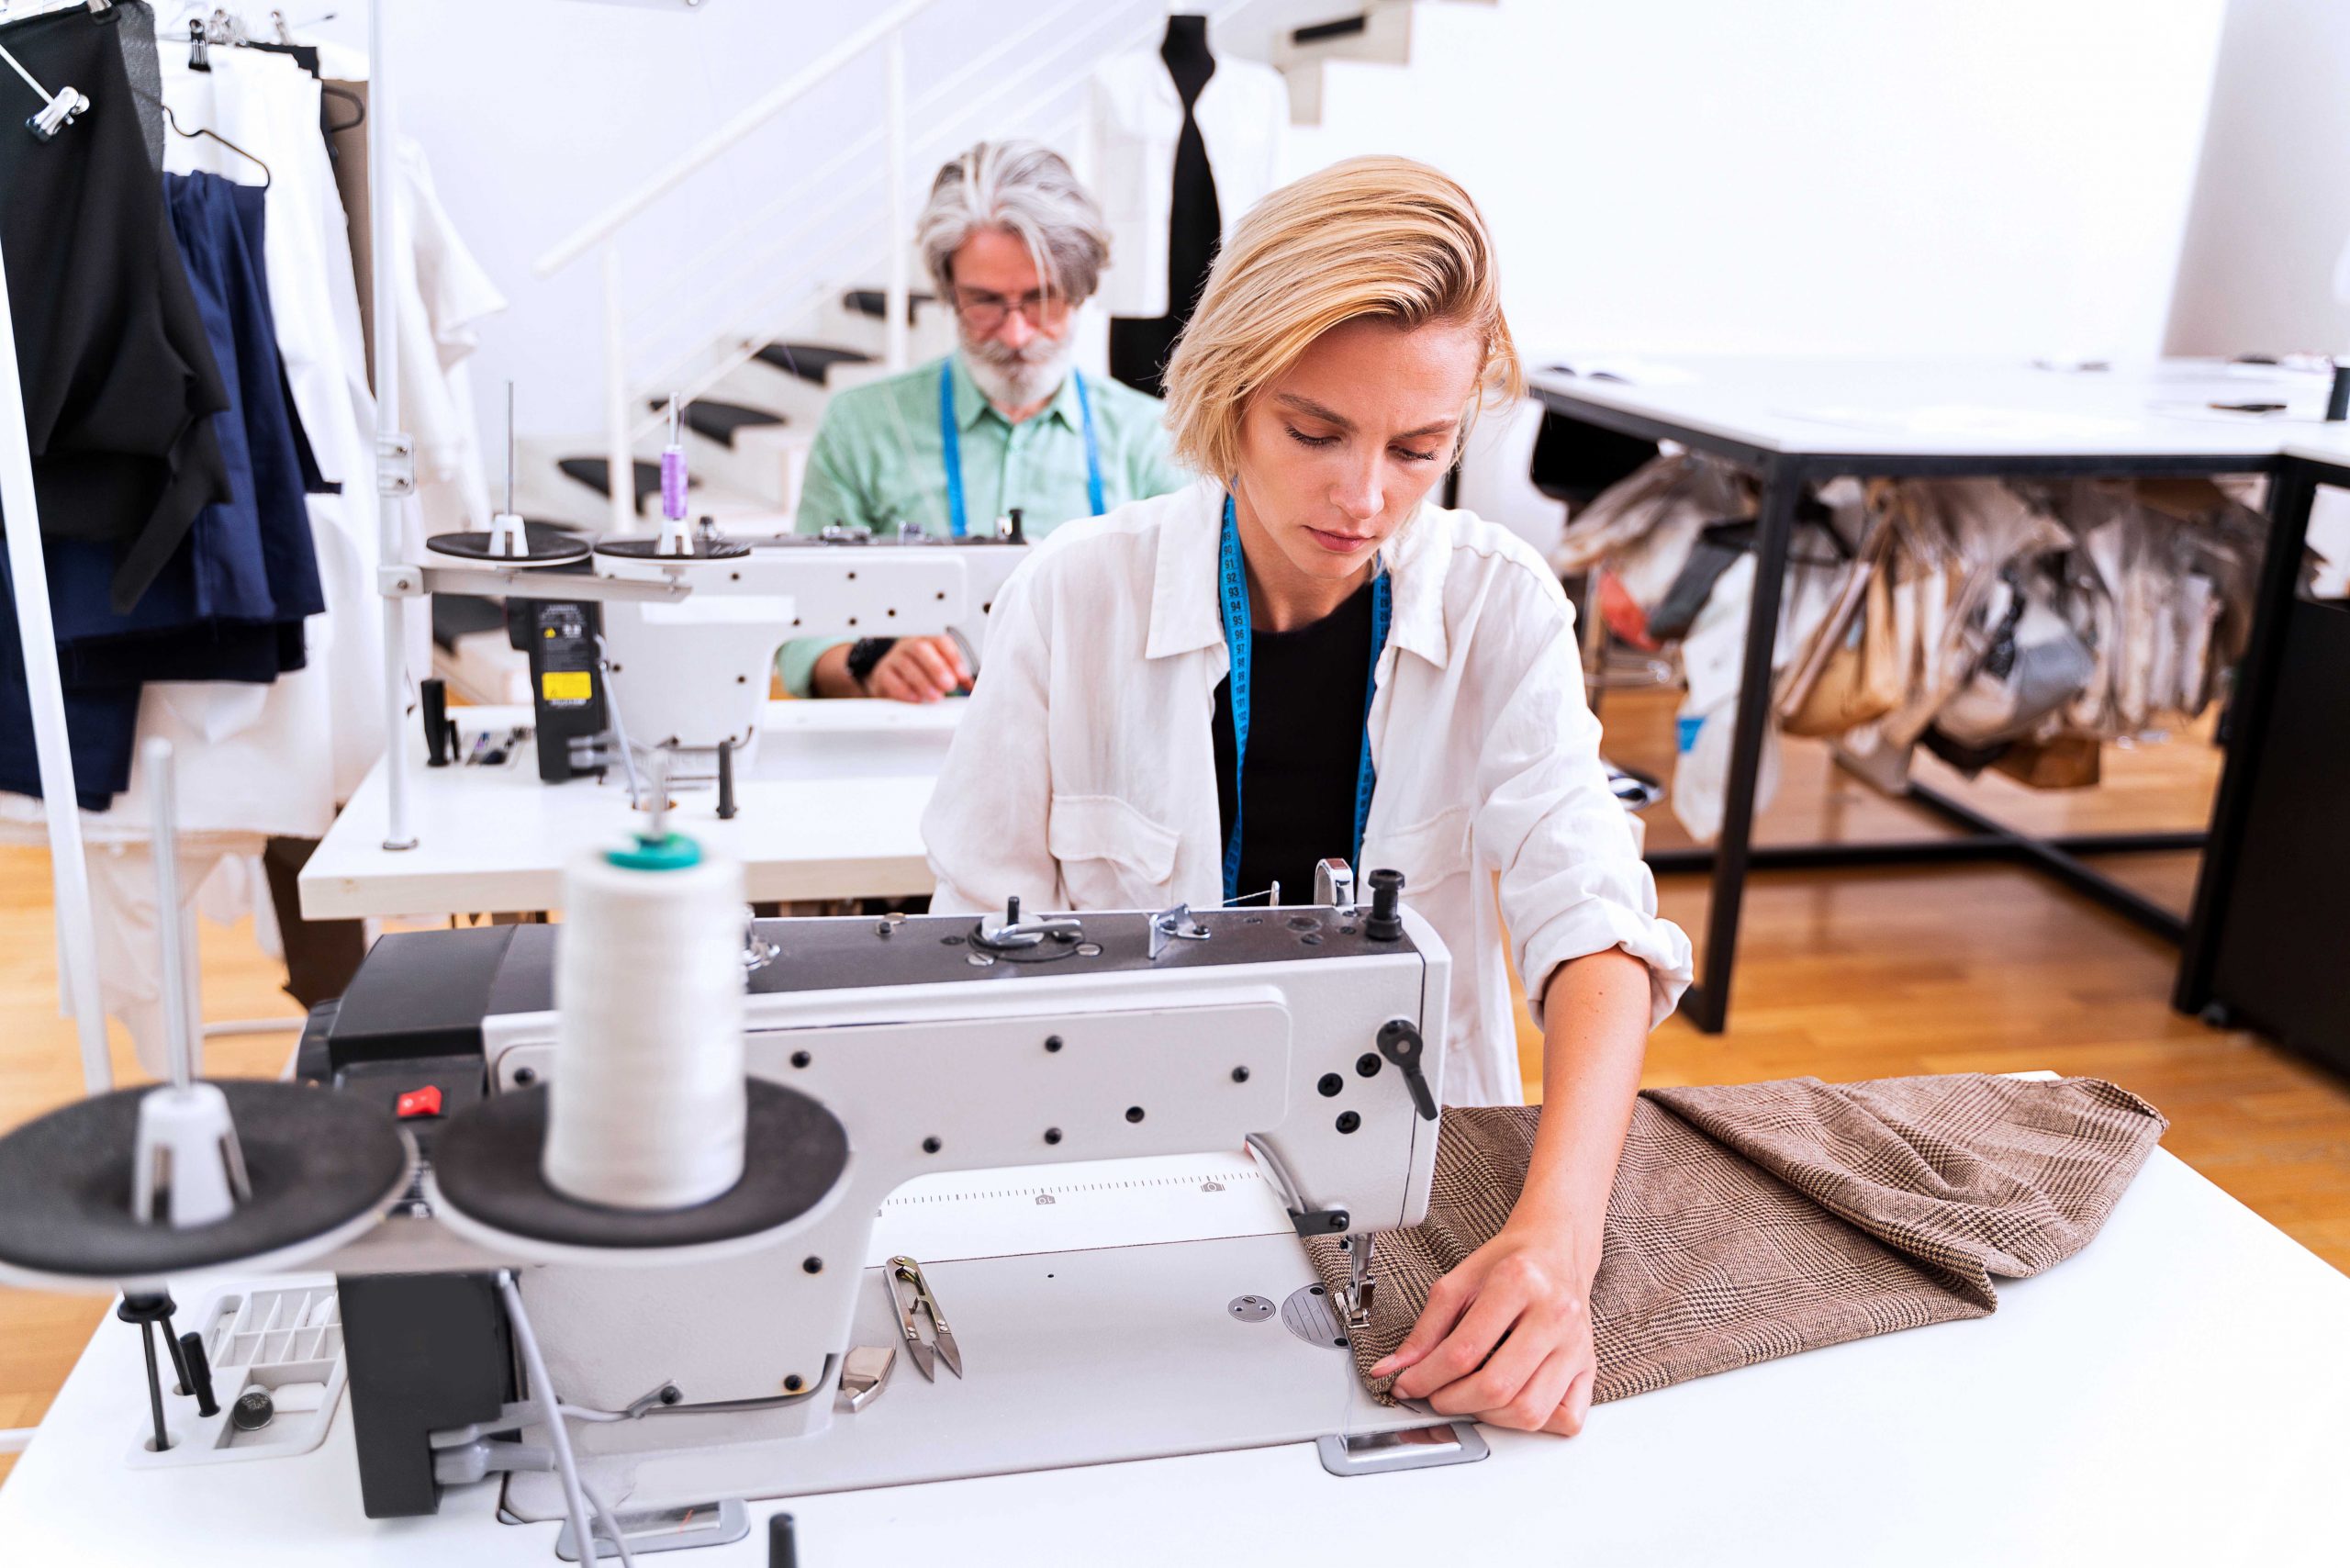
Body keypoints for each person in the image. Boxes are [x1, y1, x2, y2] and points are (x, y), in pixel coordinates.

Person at [922, 157, 1694, 1436]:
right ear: (1227, 396)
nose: (1365, 497)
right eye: (1316, 432)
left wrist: (1555, 1240)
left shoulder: (1499, 606)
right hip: (1130, 1167)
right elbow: (978, 951)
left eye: (1420, 449)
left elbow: (1593, 921)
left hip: (1413, 1167)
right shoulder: (1074, 599)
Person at [780, 140, 1191, 703]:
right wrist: (869, 663)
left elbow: (1194, 624)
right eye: (985, 302)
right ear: (949, 293)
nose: (1017, 334)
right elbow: (801, 631)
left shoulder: (1155, 439)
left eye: (1042, 300)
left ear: (1081, 290)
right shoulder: (862, 427)